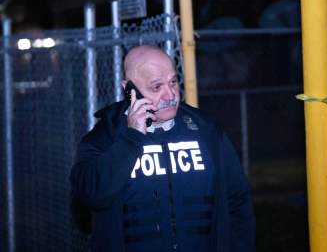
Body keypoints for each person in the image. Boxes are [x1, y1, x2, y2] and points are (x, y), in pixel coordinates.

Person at [70, 45, 255, 252]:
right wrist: (130, 139)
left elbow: (237, 200)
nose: (170, 95)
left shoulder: (206, 130)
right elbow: (90, 195)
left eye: (173, 82)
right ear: (129, 89)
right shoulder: (105, 137)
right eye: (156, 87)